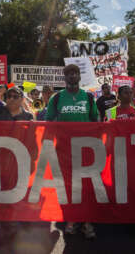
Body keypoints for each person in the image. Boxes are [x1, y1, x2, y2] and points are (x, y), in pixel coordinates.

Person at [46, 64, 98, 239]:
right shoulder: (57, 98)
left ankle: (87, 222)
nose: (72, 76)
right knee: (68, 187)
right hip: (64, 151)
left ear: (79, 77)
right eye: (68, 73)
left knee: (86, 186)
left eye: (75, 73)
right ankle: (71, 220)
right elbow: (48, 123)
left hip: (86, 150)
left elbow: (95, 122)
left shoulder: (88, 97)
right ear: (65, 77)